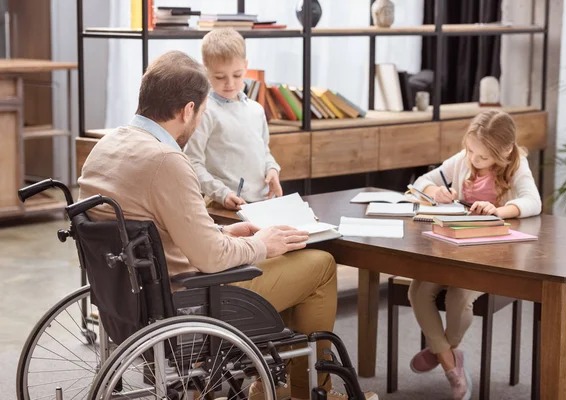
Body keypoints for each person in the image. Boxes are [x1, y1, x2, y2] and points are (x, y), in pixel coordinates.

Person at [77, 50, 376, 400]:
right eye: (202, 112)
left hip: (130, 295)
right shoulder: (166, 161)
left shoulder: (106, 146)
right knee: (319, 265)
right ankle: (303, 391)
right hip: (189, 301)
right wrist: (263, 244)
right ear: (188, 110)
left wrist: (226, 231)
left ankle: (269, 384)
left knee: (286, 260)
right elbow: (212, 259)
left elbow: (158, 232)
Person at [407, 110, 542, 399]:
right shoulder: (463, 160)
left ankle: (441, 353)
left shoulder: (517, 166)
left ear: (504, 152)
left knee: (458, 298)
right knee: (418, 291)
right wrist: (436, 190)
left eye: (482, 157)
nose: (473, 160)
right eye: (470, 151)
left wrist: (498, 210)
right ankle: (450, 360)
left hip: (491, 257)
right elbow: (420, 183)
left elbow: (533, 201)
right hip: (451, 250)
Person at [185, 28, 282, 210]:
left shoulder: (256, 110)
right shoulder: (205, 112)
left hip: (261, 204)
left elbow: (264, 152)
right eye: (220, 77)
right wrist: (222, 194)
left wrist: (272, 169)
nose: (230, 83)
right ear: (205, 71)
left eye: (237, 75)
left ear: (246, 66)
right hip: (223, 205)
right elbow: (192, 162)